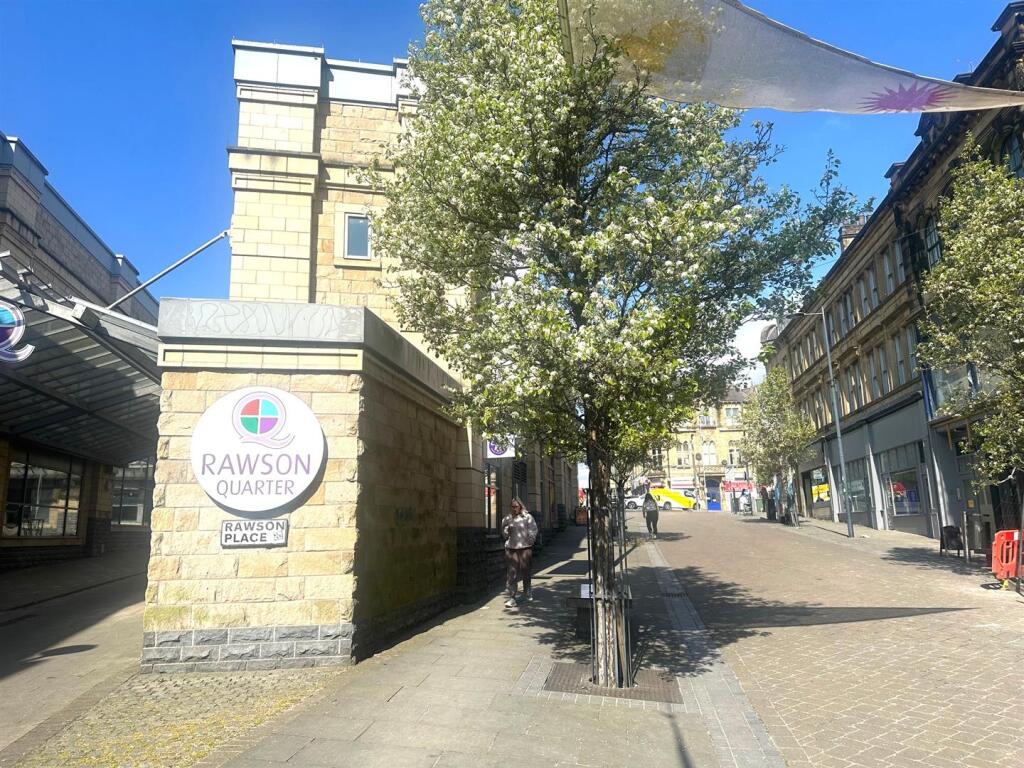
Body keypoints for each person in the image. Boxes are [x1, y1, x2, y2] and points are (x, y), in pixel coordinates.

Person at [502, 497, 538, 607]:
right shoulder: (507, 518)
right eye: (512, 507)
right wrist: (506, 530)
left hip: (525, 548)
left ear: (520, 506)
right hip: (511, 548)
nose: (514, 509)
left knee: (526, 571)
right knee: (511, 574)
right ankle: (512, 597)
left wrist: (530, 540)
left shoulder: (527, 517)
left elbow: (533, 529)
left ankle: (527, 592)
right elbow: (504, 534)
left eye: (516, 506)